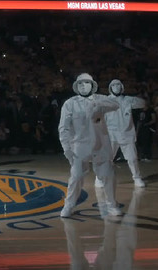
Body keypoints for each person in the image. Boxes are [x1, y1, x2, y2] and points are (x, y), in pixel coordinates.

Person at [58, 73, 122, 217]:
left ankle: (112, 204)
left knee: (108, 176)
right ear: (76, 86)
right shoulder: (70, 103)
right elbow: (63, 128)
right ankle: (68, 205)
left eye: (87, 83)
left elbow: (116, 104)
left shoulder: (100, 99)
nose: (83, 86)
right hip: (79, 147)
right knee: (76, 177)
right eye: (80, 83)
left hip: (101, 145)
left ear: (92, 85)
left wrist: (98, 103)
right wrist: (66, 148)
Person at [97, 79, 146, 188]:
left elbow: (142, 103)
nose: (116, 86)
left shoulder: (128, 100)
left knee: (132, 158)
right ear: (110, 87)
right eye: (114, 85)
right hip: (110, 134)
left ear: (122, 87)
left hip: (127, 133)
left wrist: (134, 97)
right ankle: (99, 178)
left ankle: (137, 178)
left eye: (118, 84)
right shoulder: (105, 101)